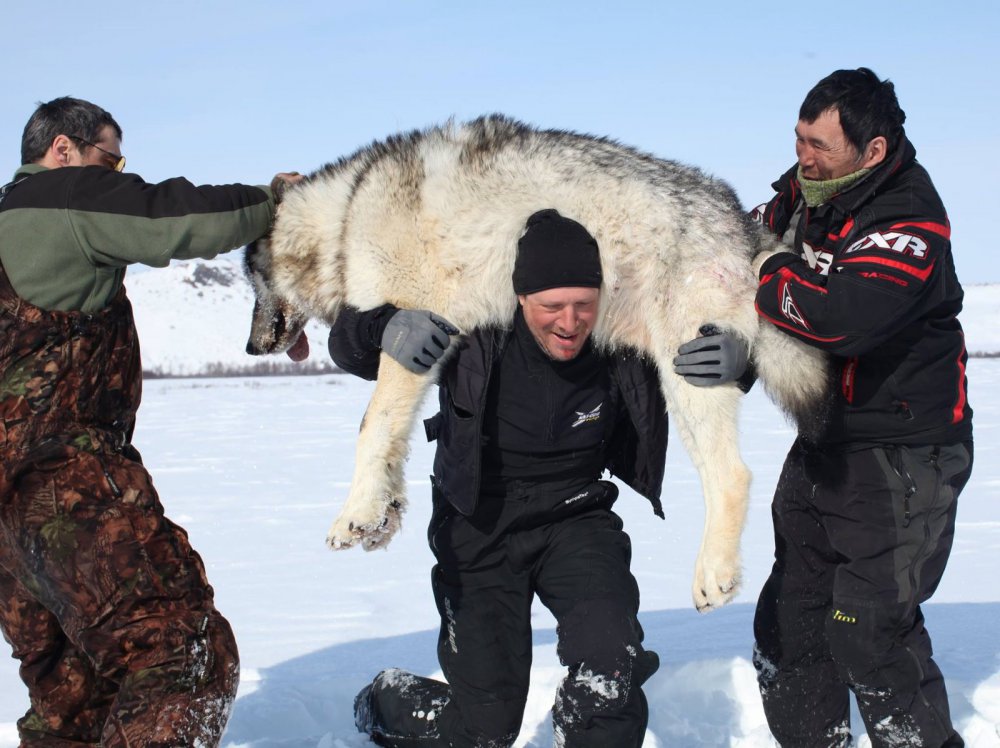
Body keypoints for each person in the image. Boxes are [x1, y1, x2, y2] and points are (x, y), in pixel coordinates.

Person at [674, 68, 974, 747]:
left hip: (904, 455)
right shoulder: (805, 189)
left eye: (820, 145)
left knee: (870, 633)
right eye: (799, 139)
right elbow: (734, 243)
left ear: (871, 151)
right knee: (791, 621)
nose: (804, 156)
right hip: (825, 443)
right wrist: (741, 354)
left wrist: (768, 269)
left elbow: (838, 318)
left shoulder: (910, 219)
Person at [0, 96, 299, 746]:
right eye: (111, 157)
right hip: (65, 491)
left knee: (75, 703)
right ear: (62, 151)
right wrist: (274, 201)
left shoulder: (8, 229)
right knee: (184, 653)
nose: (116, 172)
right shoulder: (61, 198)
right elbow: (171, 217)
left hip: (8, 532)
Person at [329, 209, 667, 747]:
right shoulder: (473, 324)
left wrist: (736, 361)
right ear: (519, 297)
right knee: (484, 729)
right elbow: (348, 343)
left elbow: (708, 325)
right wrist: (385, 325)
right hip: (478, 522)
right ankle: (386, 701)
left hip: (577, 516)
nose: (569, 322)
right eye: (552, 306)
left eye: (584, 305)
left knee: (611, 671)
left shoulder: (623, 332)